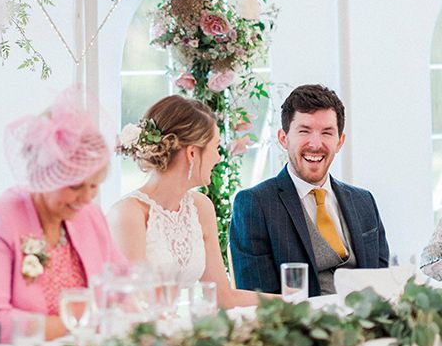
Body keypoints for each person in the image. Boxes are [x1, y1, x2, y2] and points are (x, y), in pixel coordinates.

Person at [0, 93, 126, 342]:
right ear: (44, 176)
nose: (87, 198)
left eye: (94, 186)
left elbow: (123, 286)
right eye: (75, 186)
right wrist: (78, 324)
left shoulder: (90, 216)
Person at [230, 84, 389, 296]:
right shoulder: (254, 204)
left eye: (327, 132)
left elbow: (383, 283)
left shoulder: (364, 201)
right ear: (283, 138)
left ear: (340, 141)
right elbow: (258, 299)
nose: (315, 144)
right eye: (304, 131)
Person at [110, 95, 264, 308]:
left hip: (193, 329)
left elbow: (224, 297)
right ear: (192, 153)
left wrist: (296, 301)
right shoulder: (128, 214)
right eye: (216, 147)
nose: (218, 158)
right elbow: (130, 308)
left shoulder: (201, 207)